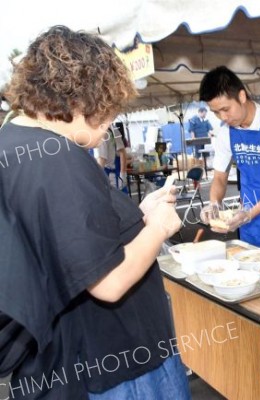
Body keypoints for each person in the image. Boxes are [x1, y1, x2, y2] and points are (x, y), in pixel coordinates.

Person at [0, 26, 190, 398]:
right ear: (83, 99)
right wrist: (158, 228)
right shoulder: (58, 157)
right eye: (108, 112)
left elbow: (65, 240)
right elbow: (108, 283)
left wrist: (135, 217)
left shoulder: (12, 143)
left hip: (57, 365)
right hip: (112, 366)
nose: (107, 127)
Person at [199, 66, 260, 255]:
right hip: (247, 225)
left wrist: (248, 214)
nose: (223, 117)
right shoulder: (226, 132)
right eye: (216, 113)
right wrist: (214, 204)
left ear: (242, 96)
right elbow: (220, 178)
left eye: (225, 109)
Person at [96, 125, 127, 189]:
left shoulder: (100, 132)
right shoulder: (113, 128)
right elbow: (122, 151)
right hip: (111, 174)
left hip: (109, 175)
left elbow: (102, 159)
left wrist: (96, 178)